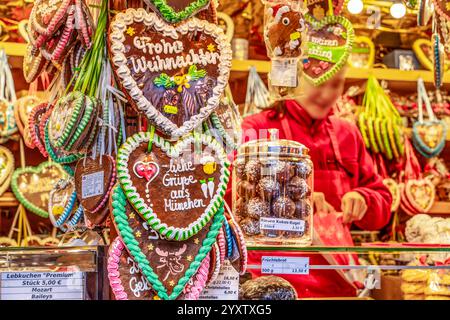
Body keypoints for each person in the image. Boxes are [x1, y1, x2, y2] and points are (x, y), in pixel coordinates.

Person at [236, 67, 393, 298]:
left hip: (336, 283)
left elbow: (381, 202)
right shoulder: (255, 130)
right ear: (293, 79)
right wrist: (293, 197)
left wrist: (363, 199)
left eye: (336, 84)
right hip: (271, 281)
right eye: (319, 83)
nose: (327, 94)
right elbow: (233, 199)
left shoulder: (347, 133)